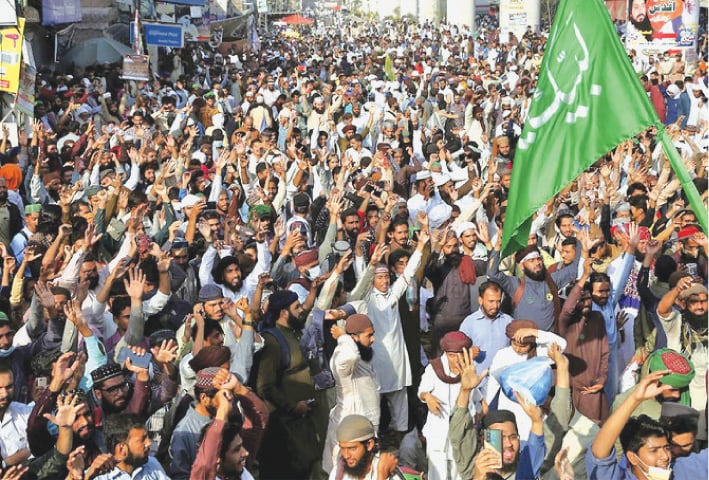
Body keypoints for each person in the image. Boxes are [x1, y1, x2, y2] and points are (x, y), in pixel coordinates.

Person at [255, 290, 327, 479]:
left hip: (309, 421)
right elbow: (265, 386)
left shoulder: (296, 332)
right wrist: (292, 407)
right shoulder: (273, 342)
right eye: (296, 308)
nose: (301, 311)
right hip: (289, 427)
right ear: (284, 312)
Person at [587, 369, 708, 480]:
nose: (665, 456)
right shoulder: (619, 477)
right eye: (654, 450)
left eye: (666, 448)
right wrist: (635, 399)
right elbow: (599, 454)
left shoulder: (682, 470)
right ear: (633, 457)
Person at [418, 332, 482, 480]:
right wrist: (428, 397)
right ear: (445, 353)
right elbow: (421, 391)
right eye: (452, 355)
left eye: (460, 354)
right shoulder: (434, 369)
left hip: (461, 436)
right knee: (437, 474)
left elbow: (477, 400)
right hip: (438, 433)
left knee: (460, 474)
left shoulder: (469, 370)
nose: (456, 359)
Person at [323, 313, 380, 473]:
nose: (373, 339)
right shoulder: (343, 355)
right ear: (354, 337)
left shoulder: (362, 355)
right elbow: (351, 356)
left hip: (366, 428)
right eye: (369, 335)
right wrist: (343, 337)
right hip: (349, 428)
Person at [93, 414, 170, 479]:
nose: (149, 443)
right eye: (142, 440)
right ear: (121, 449)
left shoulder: (152, 464)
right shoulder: (100, 477)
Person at [329, 415, 400, 480]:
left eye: (352, 449)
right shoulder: (339, 470)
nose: (346, 455)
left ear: (369, 444)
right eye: (342, 448)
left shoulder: (387, 467)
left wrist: (382, 473)